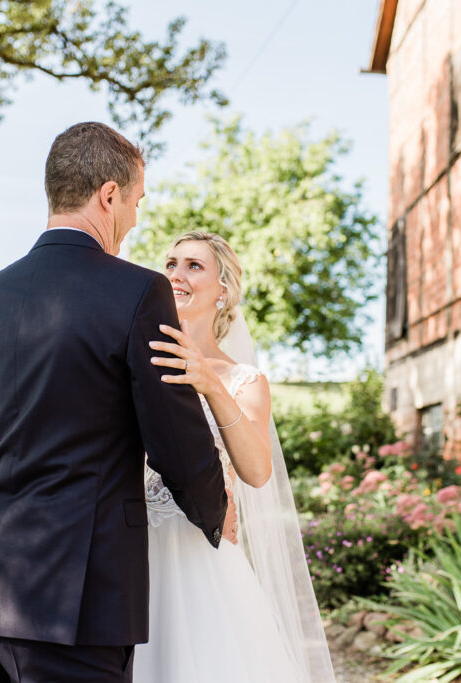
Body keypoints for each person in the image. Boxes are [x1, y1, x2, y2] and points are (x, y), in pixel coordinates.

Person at [0, 123, 229, 683]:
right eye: (135, 202)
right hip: (77, 601)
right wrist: (215, 509)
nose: (135, 219)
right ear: (108, 195)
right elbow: (175, 440)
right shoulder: (139, 291)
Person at [136, 231, 336, 682]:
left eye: (193, 265)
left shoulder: (245, 380)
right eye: (171, 263)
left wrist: (209, 383)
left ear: (222, 291)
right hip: (134, 552)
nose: (176, 274)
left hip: (204, 557)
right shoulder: (135, 362)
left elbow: (258, 471)